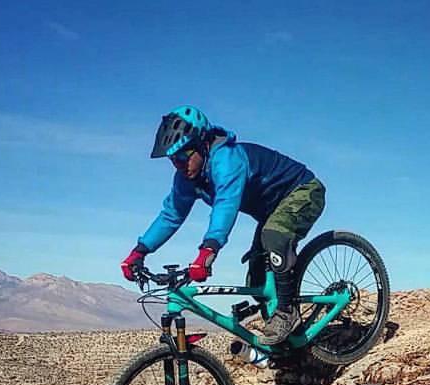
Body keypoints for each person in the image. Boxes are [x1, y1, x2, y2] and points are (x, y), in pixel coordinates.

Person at [121, 105, 325, 346]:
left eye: (182, 156)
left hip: (303, 191)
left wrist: (208, 250)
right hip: (272, 211)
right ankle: (286, 345)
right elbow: (171, 215)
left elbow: (225, 205)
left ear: (202, 144)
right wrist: (140, 251)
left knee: (274, 238)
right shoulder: (186, 179)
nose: (178, 165)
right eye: (172, 160)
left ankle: (287, 313)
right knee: (257, 276)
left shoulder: (227, 160)